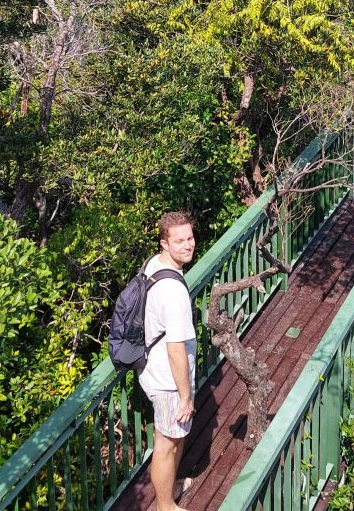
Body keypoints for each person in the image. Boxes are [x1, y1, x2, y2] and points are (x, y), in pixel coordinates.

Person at [139, 211, 197, 511]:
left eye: (190, 238)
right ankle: (165, 506)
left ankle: (170, 488)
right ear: (164, 243)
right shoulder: (173, 292)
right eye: (179, 241)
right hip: (168, 381)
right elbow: (176, 349)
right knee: (166, 444)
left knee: (175, 438)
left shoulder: (155, 264)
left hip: (152, 367)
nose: (188, 245)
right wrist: (185, 396)